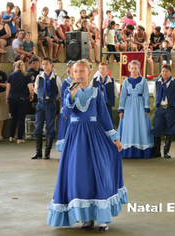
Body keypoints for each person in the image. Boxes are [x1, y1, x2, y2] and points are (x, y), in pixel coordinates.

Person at [47, 59, 128, 231]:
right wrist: (73, 94)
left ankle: (102, 218)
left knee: (98, 172)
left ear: (89, 73)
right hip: (75, 137)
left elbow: (105, 117)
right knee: (78, 176)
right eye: (76, 72)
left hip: (94, 135)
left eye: (82, 71)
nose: (79, 74)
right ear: (72, 74)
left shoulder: (97, 92)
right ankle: (86, 218)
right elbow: (66, 114)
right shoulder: (69, 92)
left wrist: (115, 138)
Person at [117, 60, 154, 158]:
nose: (133, 70)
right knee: (129, 126)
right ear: (129, 69)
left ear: (139, 69)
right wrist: (121, 109)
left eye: (135, 68)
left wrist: (146, 108)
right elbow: (123, 96)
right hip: (128, 106)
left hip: (140, 106)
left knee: (139, 125)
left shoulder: (143, 81)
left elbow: (146, 95)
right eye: (132, 68)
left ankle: (141, 151)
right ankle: (127, 150)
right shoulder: (125, 81)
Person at [31, 57, 62, 160]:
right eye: (43, 64)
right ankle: (38, 151)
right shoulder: (39, 77)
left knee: (50, 126)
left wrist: (52, 98)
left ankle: (47, 152)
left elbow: (59, 92)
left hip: (50, 104)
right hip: (40, 104)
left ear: (51, 65)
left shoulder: (56, 78)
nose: (45, 66)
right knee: (38, 126)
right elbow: (36, 90)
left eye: (46, 64)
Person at [151, 64, 175, 158]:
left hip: (170, 109)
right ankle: (157, 151)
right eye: (163, 71)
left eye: (167, 71)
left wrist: (173, 102)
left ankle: (166, 151)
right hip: (160, 109)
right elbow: (154, 94)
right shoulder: (157, 82)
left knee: (169, 129)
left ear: (170, 72)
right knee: (156, 128)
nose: (164, 73)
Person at [6, 60, 34, 143]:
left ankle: (11, 136)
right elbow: (31, 88)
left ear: (15, 67)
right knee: (21, 118)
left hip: (12, 98)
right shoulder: (26, 75)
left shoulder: (11, 75)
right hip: (22, 98)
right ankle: (19, 138)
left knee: (14, 117)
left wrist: (7, 98)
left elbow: (8, 88)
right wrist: (31, 95)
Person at [55, 61, 75, 152]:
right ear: (69, 69)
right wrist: (65, 110)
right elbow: (63, 98)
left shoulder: (80, 81)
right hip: (67, 110)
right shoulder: (66, 82)